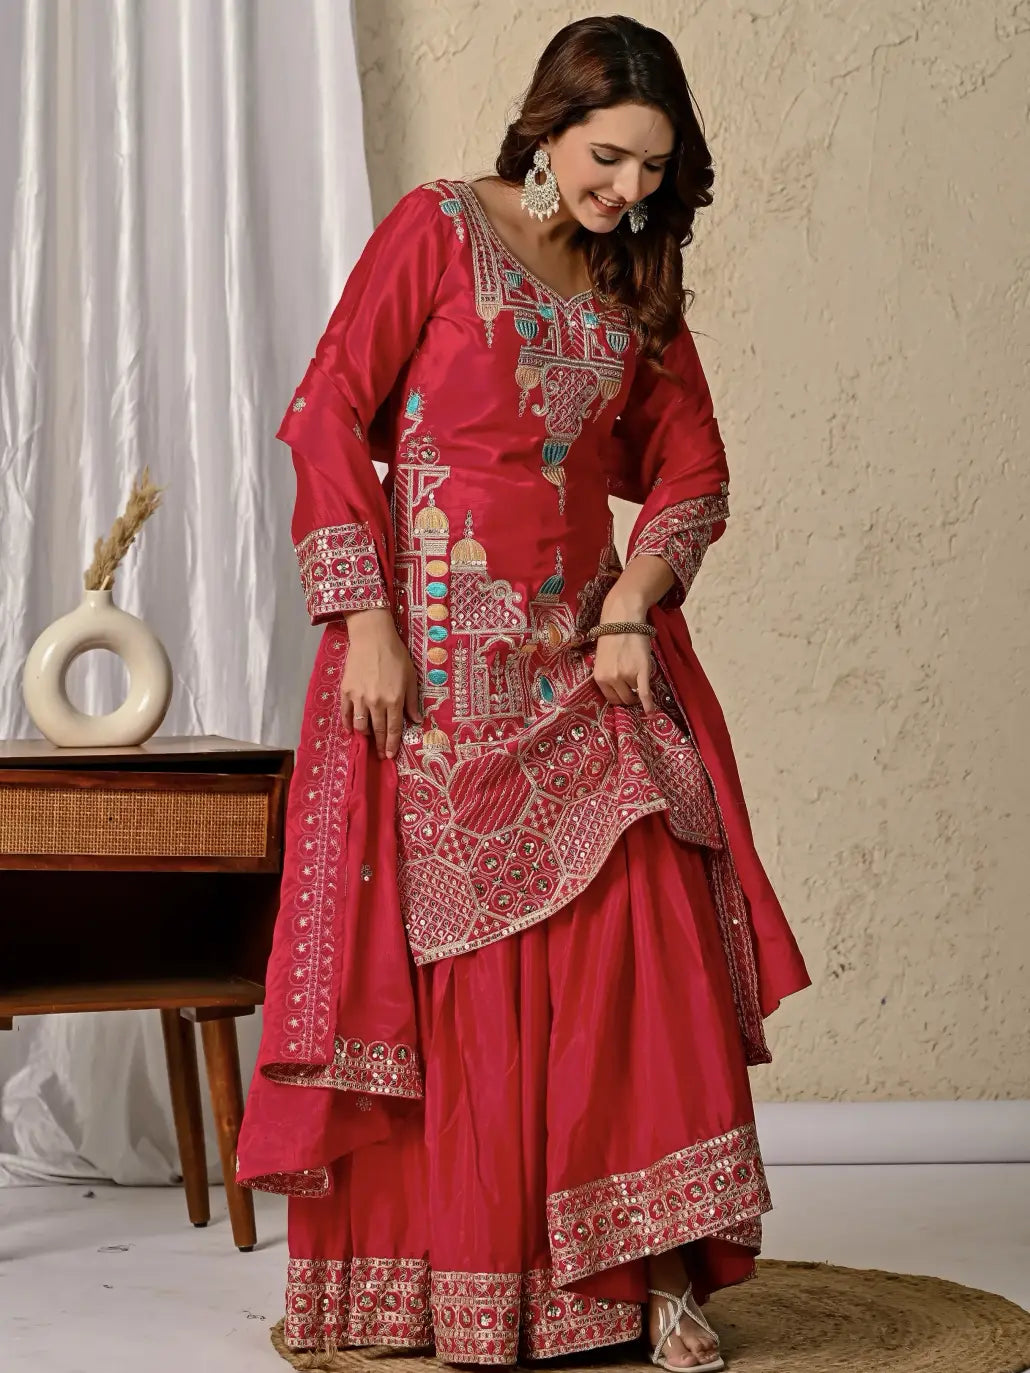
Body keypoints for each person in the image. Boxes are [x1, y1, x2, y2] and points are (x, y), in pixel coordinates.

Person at [237, 14, 810, 1371]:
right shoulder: (435, 230)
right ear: (548, 125)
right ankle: (468, 1284)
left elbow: (691, 474)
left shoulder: (630, 284)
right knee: (465, 982)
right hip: (428, 669)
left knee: (646, 929)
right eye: (610, 157)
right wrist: (358, 618)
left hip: (576, 653)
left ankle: (653, 1268)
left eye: (654, 170)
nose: (629, 190)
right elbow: (325, 413)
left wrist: (629, 606)